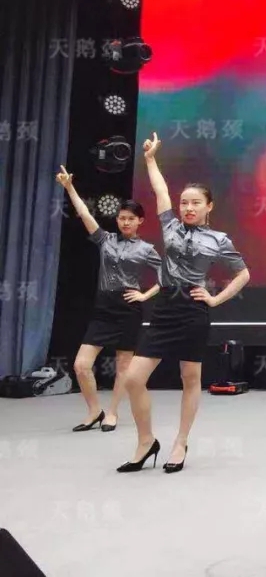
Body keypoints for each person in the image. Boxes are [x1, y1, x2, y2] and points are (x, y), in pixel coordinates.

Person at [117, 133, 251, 474]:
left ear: (209, 206)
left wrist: (215, 299)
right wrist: (150, 159)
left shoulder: (219, 240)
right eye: (184, 203)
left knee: (190, 378)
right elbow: (160, 191)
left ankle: (180, 441)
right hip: (165, 308)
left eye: (195, 203)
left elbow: (243, 274)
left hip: (193, 310)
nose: (188, 208)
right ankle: (146, 441)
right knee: (133, 378)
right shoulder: (170, 226)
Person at [56, 167, 160, 433]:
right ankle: (94, 411)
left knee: (123, 366)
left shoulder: (146, 249)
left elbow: (168, 275)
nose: (125, 222)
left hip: (128, 309)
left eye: (130, 219)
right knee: (81, 365)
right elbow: (84, 214)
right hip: (103, 307)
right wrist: (69, 187)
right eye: (121, 218)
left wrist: (144, 295)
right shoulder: (105, 240)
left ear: (140, 221)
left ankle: (112, 412)